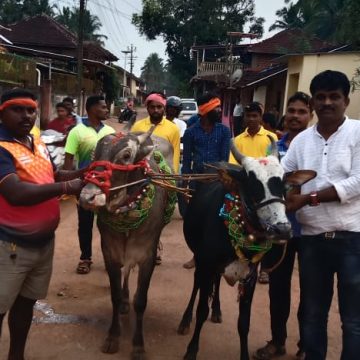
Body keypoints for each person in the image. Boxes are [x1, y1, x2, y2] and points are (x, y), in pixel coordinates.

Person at [0, 89, 84, 360]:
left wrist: (85, 172)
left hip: (43, 244)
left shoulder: (36, 142)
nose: (26, 115)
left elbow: (53, 175)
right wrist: (69, 186)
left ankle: (16, 356)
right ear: (2, 112)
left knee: (26, 304)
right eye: (18, 109)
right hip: (10, 245)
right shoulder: (1, 148)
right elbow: (16, 192)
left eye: (31, 110)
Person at [282, 70, 360, 360]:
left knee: (353, 320)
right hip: (313, 240)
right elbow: (283, 175)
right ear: (314, 102)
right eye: (321, 97)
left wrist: (307, 198)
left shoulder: (358, 133)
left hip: (352, 237)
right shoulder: (301, 141)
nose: (327, 102)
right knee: (313, 314)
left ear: (346, 100)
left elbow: (357, 182)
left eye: (334, 97)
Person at [254, 91, 313, 360]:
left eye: (302, 111)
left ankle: (306, 345)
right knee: (278, 288)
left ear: (310, 115)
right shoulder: (273, 147)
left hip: (312, 229)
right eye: (292, 111)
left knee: (312, 293)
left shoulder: (316, 146)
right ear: (284, 115)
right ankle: (278, 341)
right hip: (279, 229)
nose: (296, 116)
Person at [64, 95, 115, 275]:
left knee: (108, 224)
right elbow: (69, 159)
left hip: (107, 187)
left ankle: (111, 259)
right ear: (92, 109)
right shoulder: (76, 132)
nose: (107, 110)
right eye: (103, 107)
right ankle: (85, 258)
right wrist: (69, 185)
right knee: (85, 224)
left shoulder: (110, 131)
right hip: (86, 186)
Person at [181, 93, 231, 269]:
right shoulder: (190, 132)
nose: (219, 110)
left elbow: (224, 159)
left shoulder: (224, 131)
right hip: (197, 181)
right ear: (205, 110)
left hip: (217, 182)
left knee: (216, 220)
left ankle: (217, 254)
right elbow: (186, 161)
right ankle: (197, 255)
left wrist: (220, 177)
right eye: (216, 107)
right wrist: (185, 184)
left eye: (219, 106)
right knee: (195, 219)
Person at [229, 102, 277, 283]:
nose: (251, 119)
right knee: (230, 216)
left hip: (264, 190)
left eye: (255, 115)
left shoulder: (271, 138)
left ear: (261, 117)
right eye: (248, 116)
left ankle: (264, 268)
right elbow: (233, 164)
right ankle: (237, 255)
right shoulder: (238, 140)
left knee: (268, 225)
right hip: (242, 188)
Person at [131, 92, 181, 173]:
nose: (156, 110)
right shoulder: (137, 126)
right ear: (147, 108)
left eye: (159, 107)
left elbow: (175, 154)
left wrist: (173, 176)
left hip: (163, 175)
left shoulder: (173, 128)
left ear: (164, 108)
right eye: (152, 107)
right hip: (140, 175)